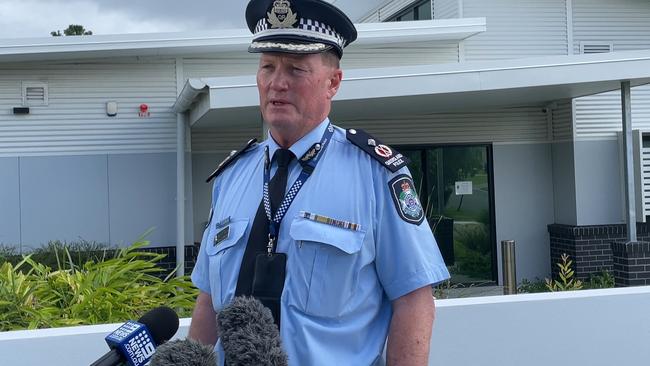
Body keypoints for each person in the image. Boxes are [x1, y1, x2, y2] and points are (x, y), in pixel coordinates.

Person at [189, 0, 450, 365]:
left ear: (333, 82)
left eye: (296, 69)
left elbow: (413, 300)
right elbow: (208, 302)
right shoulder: (232, 177)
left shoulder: (376, 174)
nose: (277, 83)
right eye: (267, 67)